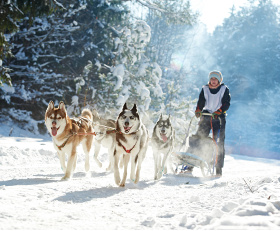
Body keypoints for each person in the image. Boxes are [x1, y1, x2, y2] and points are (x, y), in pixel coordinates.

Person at [193, 70, 231, 176]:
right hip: (206, 116)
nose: (213, 81)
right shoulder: (205, 89)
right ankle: (190, 164)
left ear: (219, 80)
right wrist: (198, 110)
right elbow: (201, 101)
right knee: (198, 138)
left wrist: (219, 111)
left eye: (215, 79)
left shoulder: (224, 89)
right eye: (212, 79)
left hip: (218, 118)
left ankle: (218, 169)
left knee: (218, 142)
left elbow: (226, 103)